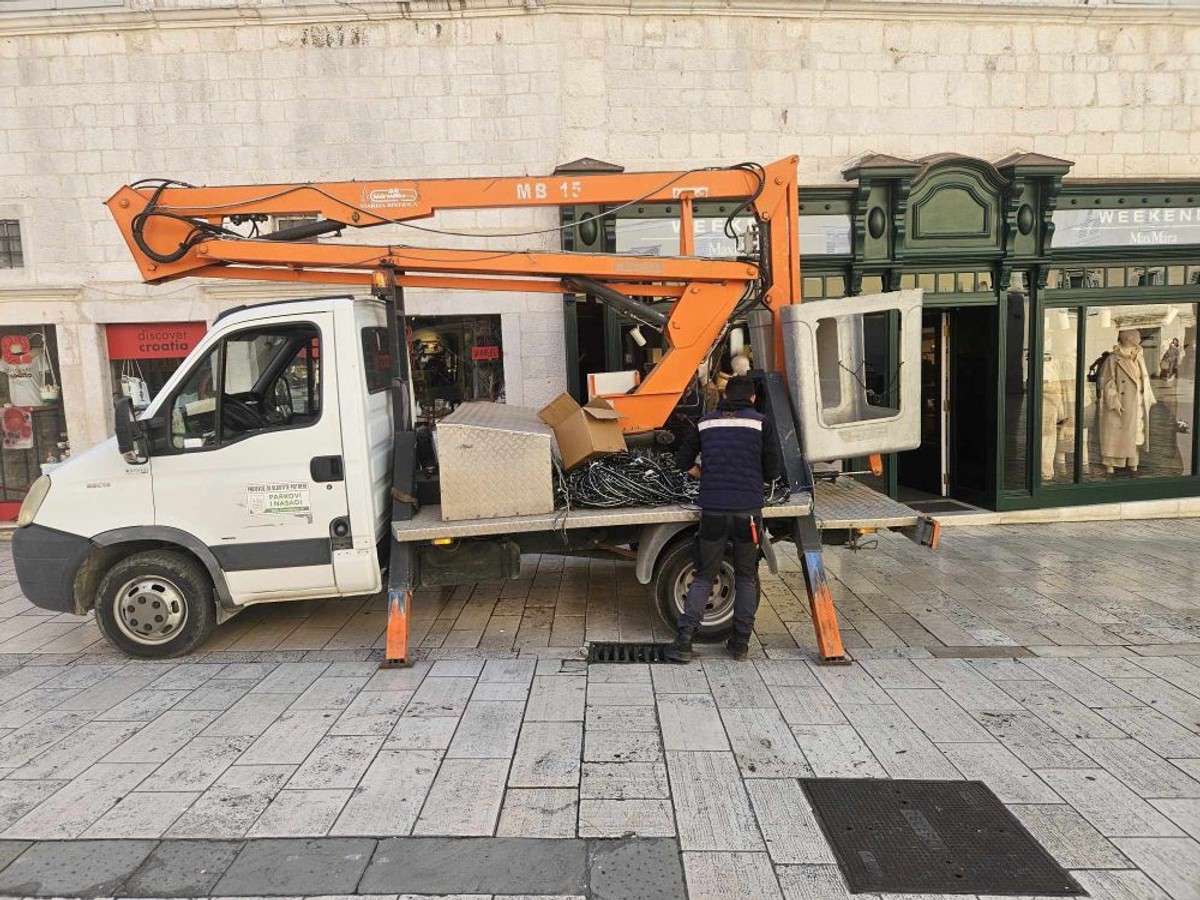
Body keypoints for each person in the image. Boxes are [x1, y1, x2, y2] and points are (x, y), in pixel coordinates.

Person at [668, 375, 781, 662]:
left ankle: (684, 641)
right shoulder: (762, 423)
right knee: (746, 576)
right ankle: (740, 643)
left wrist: (704, 475)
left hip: (713, 511)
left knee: (705, 574)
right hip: (748, 514)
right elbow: (772, 471)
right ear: (753, 398)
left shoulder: (706, 422)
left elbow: (682, 461)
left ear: (725, 396)